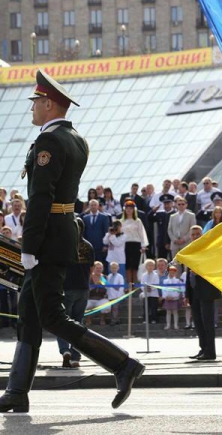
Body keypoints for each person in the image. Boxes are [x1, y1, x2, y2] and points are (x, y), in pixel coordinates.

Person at [0, 70, 144, 413]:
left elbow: (40, 197)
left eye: (36, 102)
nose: (32, 108)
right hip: (61, 231)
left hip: (47, 238)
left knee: (51, 315)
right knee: (29, 315)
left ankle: (122, 364)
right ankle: (17, 392)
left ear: (49, 104)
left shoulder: (48, 142)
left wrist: (30, 246)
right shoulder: (76, 138)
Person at [57, 217, 94, 368]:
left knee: (61, 322)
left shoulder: (64, 245)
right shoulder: (88, 246)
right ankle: (76, 357)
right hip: (83, 288)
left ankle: (65, 350)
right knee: (78, 323)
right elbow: (91, 270)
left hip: (67, 288)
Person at [185, 225, 221, 361]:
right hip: (194, 292)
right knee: (198, 323)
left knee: (208, 323)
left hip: (206, 292)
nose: (195, 236)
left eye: (198, 234)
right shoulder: (189, 250)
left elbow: (214, 266)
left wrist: (200, 270)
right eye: (193, 234)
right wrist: (187, 294)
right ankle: (203, 349)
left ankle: (210, 352)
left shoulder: (209, 248)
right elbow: (188, 275)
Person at [121, 200, 149, 288]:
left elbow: (142, 233)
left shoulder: (138, 221)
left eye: (131, 208)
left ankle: (136, 284)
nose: (129, 210)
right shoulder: (121, 221)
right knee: (128, 265)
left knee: (135, 265)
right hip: (125, 245)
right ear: (124, 210)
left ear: (134, 210)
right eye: (127, 208)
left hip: (136, 244)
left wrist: (143, 245)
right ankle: (129, 284)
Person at [167, 196, 196, 260]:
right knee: (175, 264)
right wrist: (174, 239)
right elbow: (169, 230)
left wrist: (184, 239)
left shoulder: (191, 215)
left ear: (186, 205)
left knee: (186, 263)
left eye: (183, 204)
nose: (181, 206)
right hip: (175, 243)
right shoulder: (172, 216)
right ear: (176, 205)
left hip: (186, 242)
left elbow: (192, 229)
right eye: (179, 204)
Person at [148, 193, 175, 260]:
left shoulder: (175, 214)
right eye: (165, 204)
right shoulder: (160, 214)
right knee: (161, 261)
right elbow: (149, 217)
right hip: (161, 242)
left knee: (173, 261)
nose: (166, 206)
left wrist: (168, 242)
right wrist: (154, 210)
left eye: (168, 203)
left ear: (172, 204)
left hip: (172, 241)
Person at [162, 265, 184, 330]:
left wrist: (174, 297)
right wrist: (166, 296)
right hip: (167, 298)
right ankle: (168, 325)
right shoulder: (165, 281)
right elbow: (163, 289)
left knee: (175, 312)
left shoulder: (178, 281)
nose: (171, 274)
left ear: (175, 273)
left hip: (175, 299)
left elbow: (179, 290)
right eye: (170, 272)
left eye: (173, 273)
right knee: (168, 312)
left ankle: (175, 325)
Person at [140, 258, 159, 324]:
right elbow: (142, 284)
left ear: (154, 267)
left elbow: (156, 283)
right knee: (146, 307)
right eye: (149, 265)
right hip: (146, 294)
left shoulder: (156, 275)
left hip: (154, 294)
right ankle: (145, 319)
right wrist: (145, 289)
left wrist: (151, 288)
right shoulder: (143, 275)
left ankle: (154, 319)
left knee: (154, 307)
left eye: (152, 265)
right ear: (146, 267)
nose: (150, 267)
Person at [106, 262, 125, 326]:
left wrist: (119, 296)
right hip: (110, 295)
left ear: (118, 268)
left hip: (117, 295)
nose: (114, 269)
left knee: (115, 308)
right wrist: (107, 293)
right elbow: (107, 286)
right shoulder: (109, 276)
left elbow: (121, 286)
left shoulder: (120, 276)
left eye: (115, 268)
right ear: (110, 268)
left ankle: (114, 320)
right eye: (112, 268)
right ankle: (116, 319)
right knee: (112, 308)